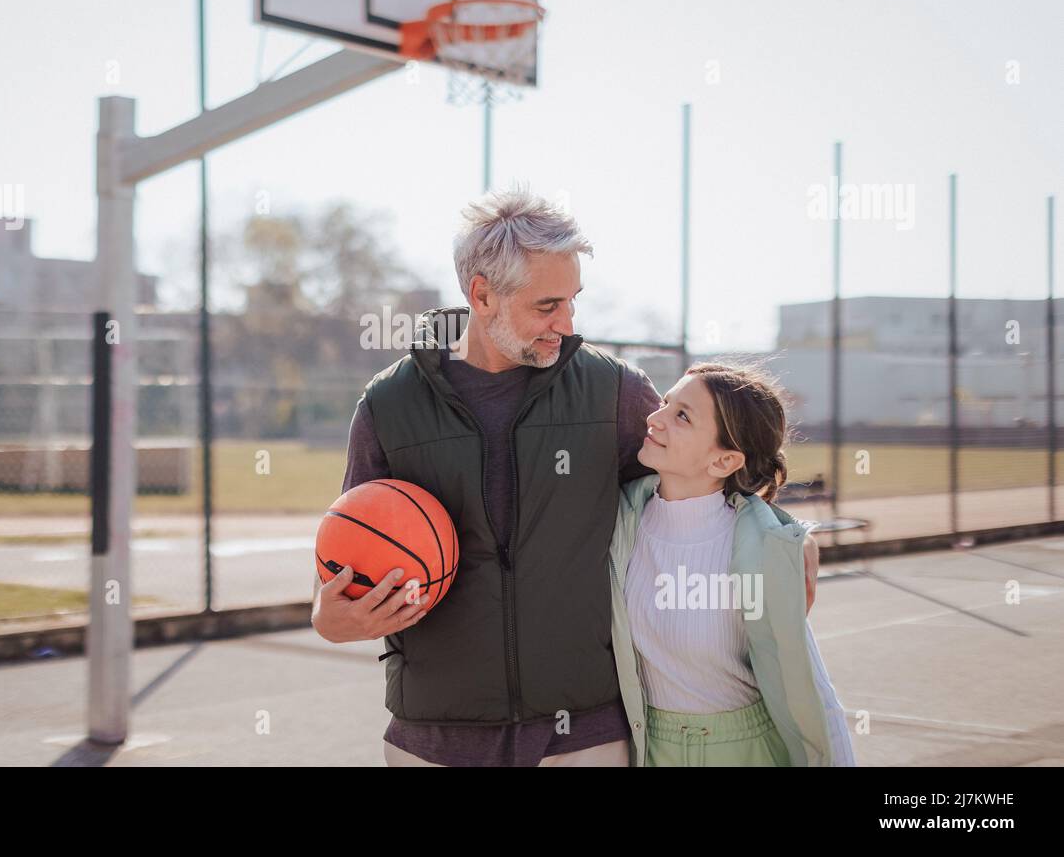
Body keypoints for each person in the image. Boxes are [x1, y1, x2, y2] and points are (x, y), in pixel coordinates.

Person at [312, 187, 823, 767]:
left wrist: (778, 537)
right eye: (546, 305)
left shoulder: (614, 391)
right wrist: (329, 617)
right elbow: (344, 556)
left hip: (586, 730)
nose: (567, 322)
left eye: (573, 300)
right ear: (482, 295)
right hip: (436, 734)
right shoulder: (390, 404)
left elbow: (695, 485)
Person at [610, 361, 855, 766]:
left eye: (682, 415)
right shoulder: (619, 522)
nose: (655, 417)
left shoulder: (760, 549)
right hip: (651, 749)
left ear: (724, 462)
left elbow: (812, 690)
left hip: (747, 752)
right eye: (666, 403)